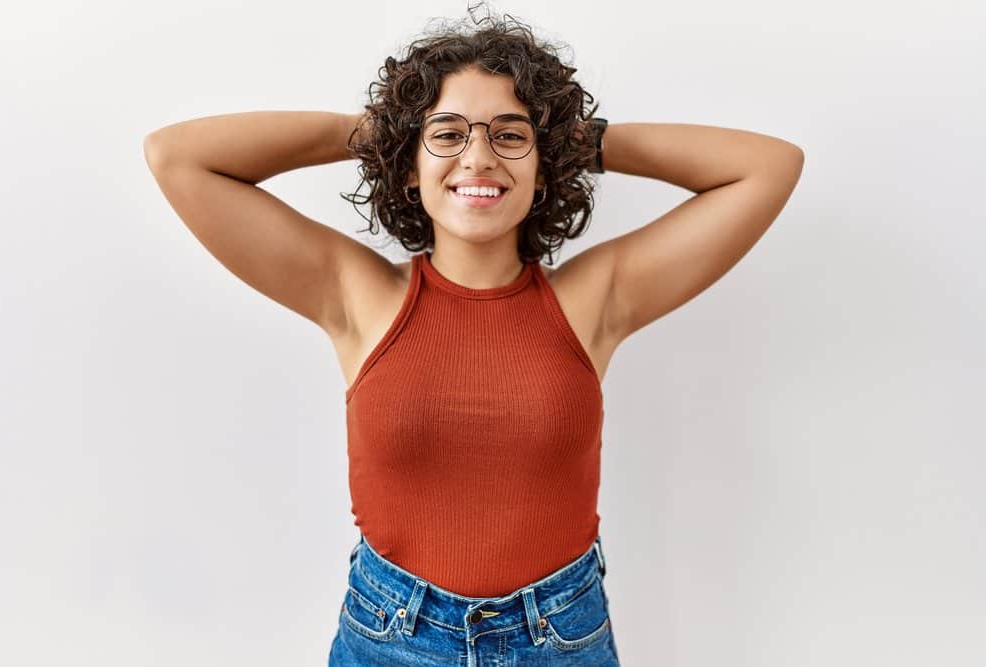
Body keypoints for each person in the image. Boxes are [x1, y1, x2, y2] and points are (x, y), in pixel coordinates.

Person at [143, 5, 804, 665]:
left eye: (510, 136)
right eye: (450, 135)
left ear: (543, 169)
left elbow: (768, 166)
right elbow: (178, 157)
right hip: (390, 638)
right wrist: (384, 129)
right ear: (408, 165)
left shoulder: (594, 299)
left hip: (559, 637)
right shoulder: (355, 295)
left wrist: (578, 139)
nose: (479, 158)